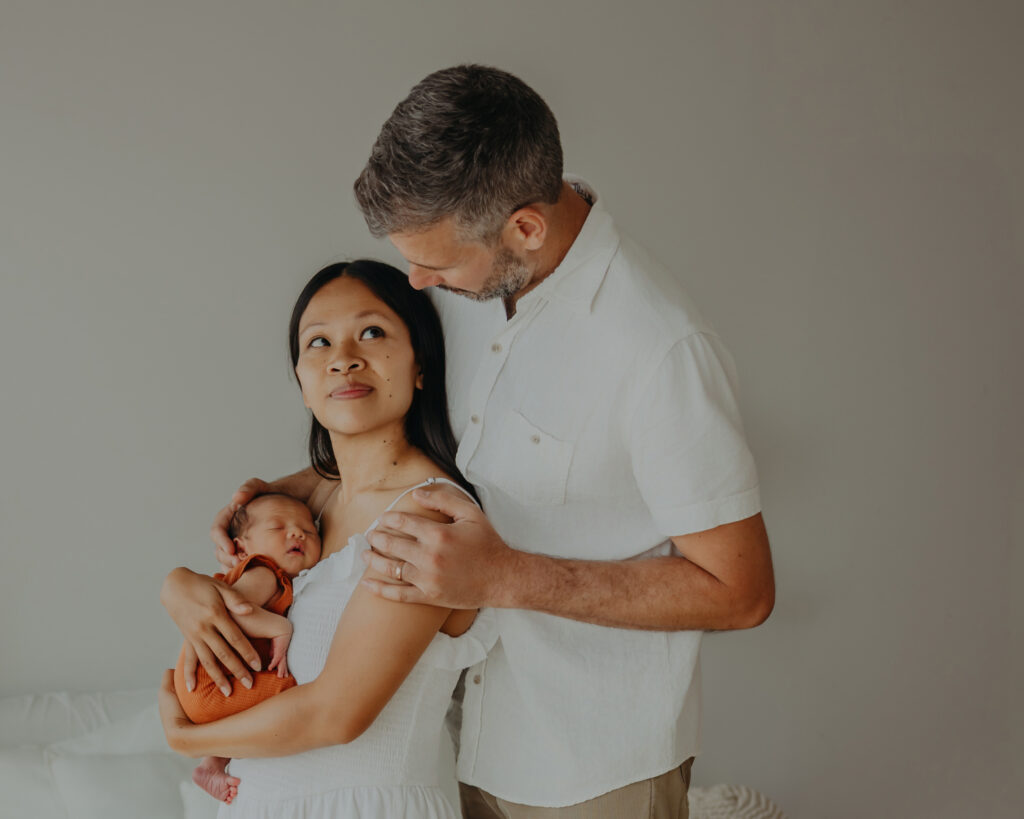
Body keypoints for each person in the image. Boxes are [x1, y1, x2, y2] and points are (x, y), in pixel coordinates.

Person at [197, 65, 776, 819]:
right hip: (450, 746)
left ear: (525, 228)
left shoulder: (659, 350)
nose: (416, 278)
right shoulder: (469, 283)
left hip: (591, 765)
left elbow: (742, 591)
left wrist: (504, 577)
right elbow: (418, 452)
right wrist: (282, 496)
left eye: (432, 260)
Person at [160, 260, 494, 818]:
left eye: (372, 332)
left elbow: (335, 715)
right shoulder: (301, 512)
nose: (343, 358)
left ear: (419, 365)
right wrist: (178, 586)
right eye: (318, 342)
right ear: (301, 380)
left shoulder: (427, 517)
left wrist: (184, 738)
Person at [174, 493, 322, 804]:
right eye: (278, 527)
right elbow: (234, 612)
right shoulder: (265, 572)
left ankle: (212, 765)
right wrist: (280, 627)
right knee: (297, 694)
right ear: (241, 548)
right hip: (208, 685)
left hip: (201, 687)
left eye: (308, 530)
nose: (296, 533)